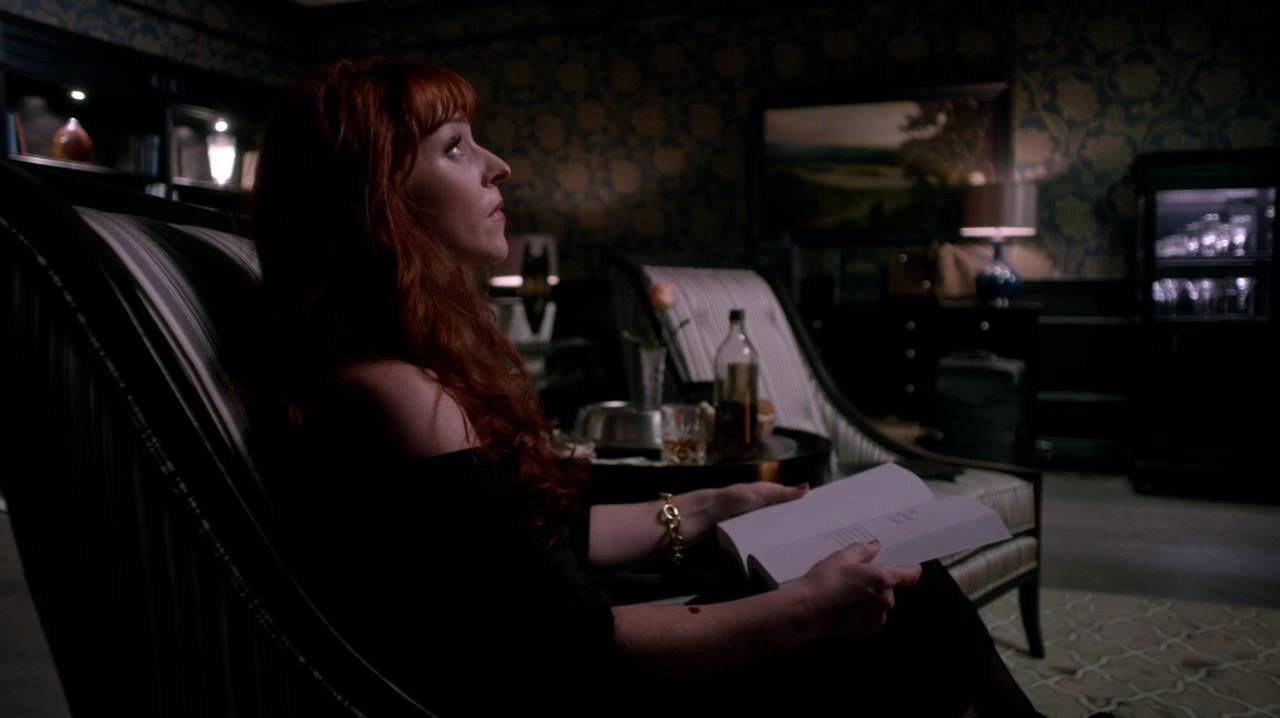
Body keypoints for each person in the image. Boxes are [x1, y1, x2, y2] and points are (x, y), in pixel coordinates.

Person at [242, 58, 1087, 718]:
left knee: (907, 582)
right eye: (456, 147)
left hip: (577, 651)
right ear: (375, 198)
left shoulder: (406, 368)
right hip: (574, 693)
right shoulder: (390, 394)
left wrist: (711, 506)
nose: (499, 165)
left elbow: (539, 543)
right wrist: (810, 611)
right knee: (905, 609)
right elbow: (572, 648)